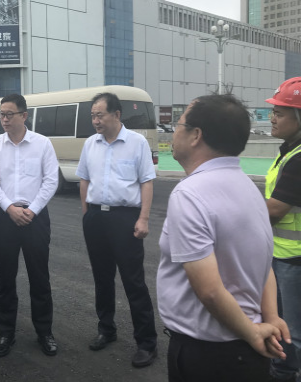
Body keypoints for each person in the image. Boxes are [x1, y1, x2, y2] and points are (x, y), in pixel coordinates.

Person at [157, 94, 290, 382]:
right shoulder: (248, 187)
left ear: (196, 135)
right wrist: (269, 317)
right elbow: (262, 263)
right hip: (246, 349)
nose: (174, 132)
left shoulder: (189, 194)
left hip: (208, 356)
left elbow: (210, 291)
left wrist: (253, 332)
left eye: (179, 124)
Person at [76, 92, 158, 367]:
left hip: (125, 218)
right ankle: (106, 330)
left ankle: (146, 343)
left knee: (133, 281)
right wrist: (87, 214)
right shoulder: (90, 144)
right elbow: (84, 179)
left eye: (100, 115)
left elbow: (146, 182)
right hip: (96, 218)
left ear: (117, 115)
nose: (95, 121)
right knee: (102, 278)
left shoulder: (137, 143)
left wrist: (143, 218)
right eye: (93, 116)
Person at [0, 93, 59, 357]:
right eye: (1, 115)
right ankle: (6, 332)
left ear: (24, 116)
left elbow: (51, 181)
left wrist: (32, 210)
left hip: (35, 218)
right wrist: (9, 208)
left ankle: (44, 332)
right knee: (5, 278)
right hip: (5, 217)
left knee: (40, 278)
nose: (4, 119)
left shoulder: (42, 144)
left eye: (9, 114)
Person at [265, 77, 301, 382]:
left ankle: (287, 372)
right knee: (283, 321)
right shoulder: (289, 151)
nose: (272, 118)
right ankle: (284, 369)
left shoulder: (298, 159)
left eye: (280, 113)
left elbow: (275, 210)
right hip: (283, 254)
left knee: (293, 328)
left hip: (293, 258)